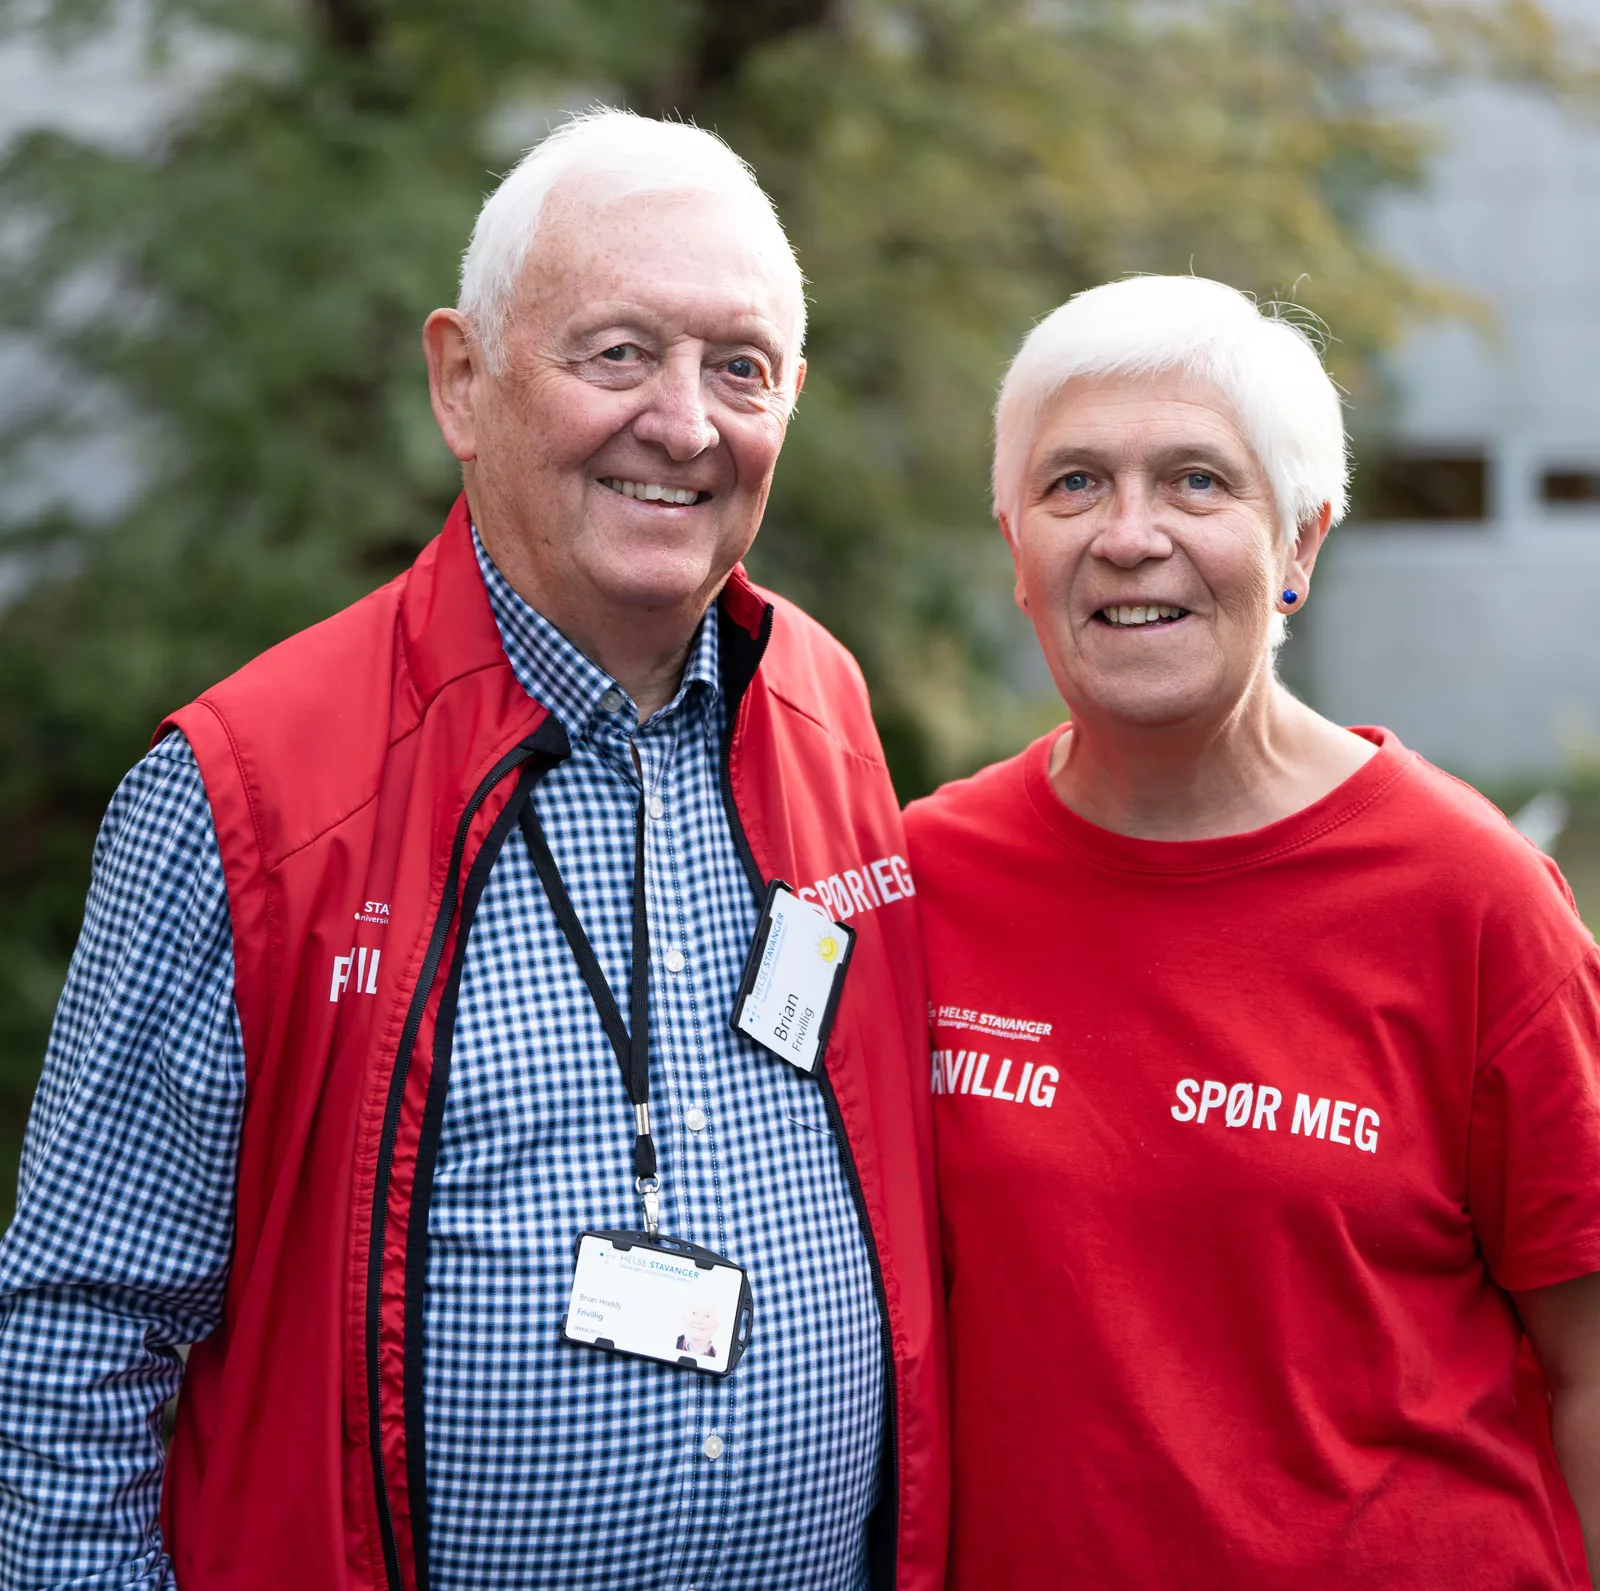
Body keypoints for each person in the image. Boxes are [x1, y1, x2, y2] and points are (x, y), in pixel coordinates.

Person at [0, 111, 946, 1591]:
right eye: (618, 352)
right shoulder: (246, 792)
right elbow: (75, 1335)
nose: (687, 423)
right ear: (463, 380)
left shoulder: (818, 705)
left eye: (740, 367)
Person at [904, 274, 1600, 1589]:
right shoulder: (920, 879)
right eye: (1071, 486)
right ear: (1016, 549)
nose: (1129, 534)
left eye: (1198, 483)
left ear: (1302, 546)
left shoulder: (1473, 898)